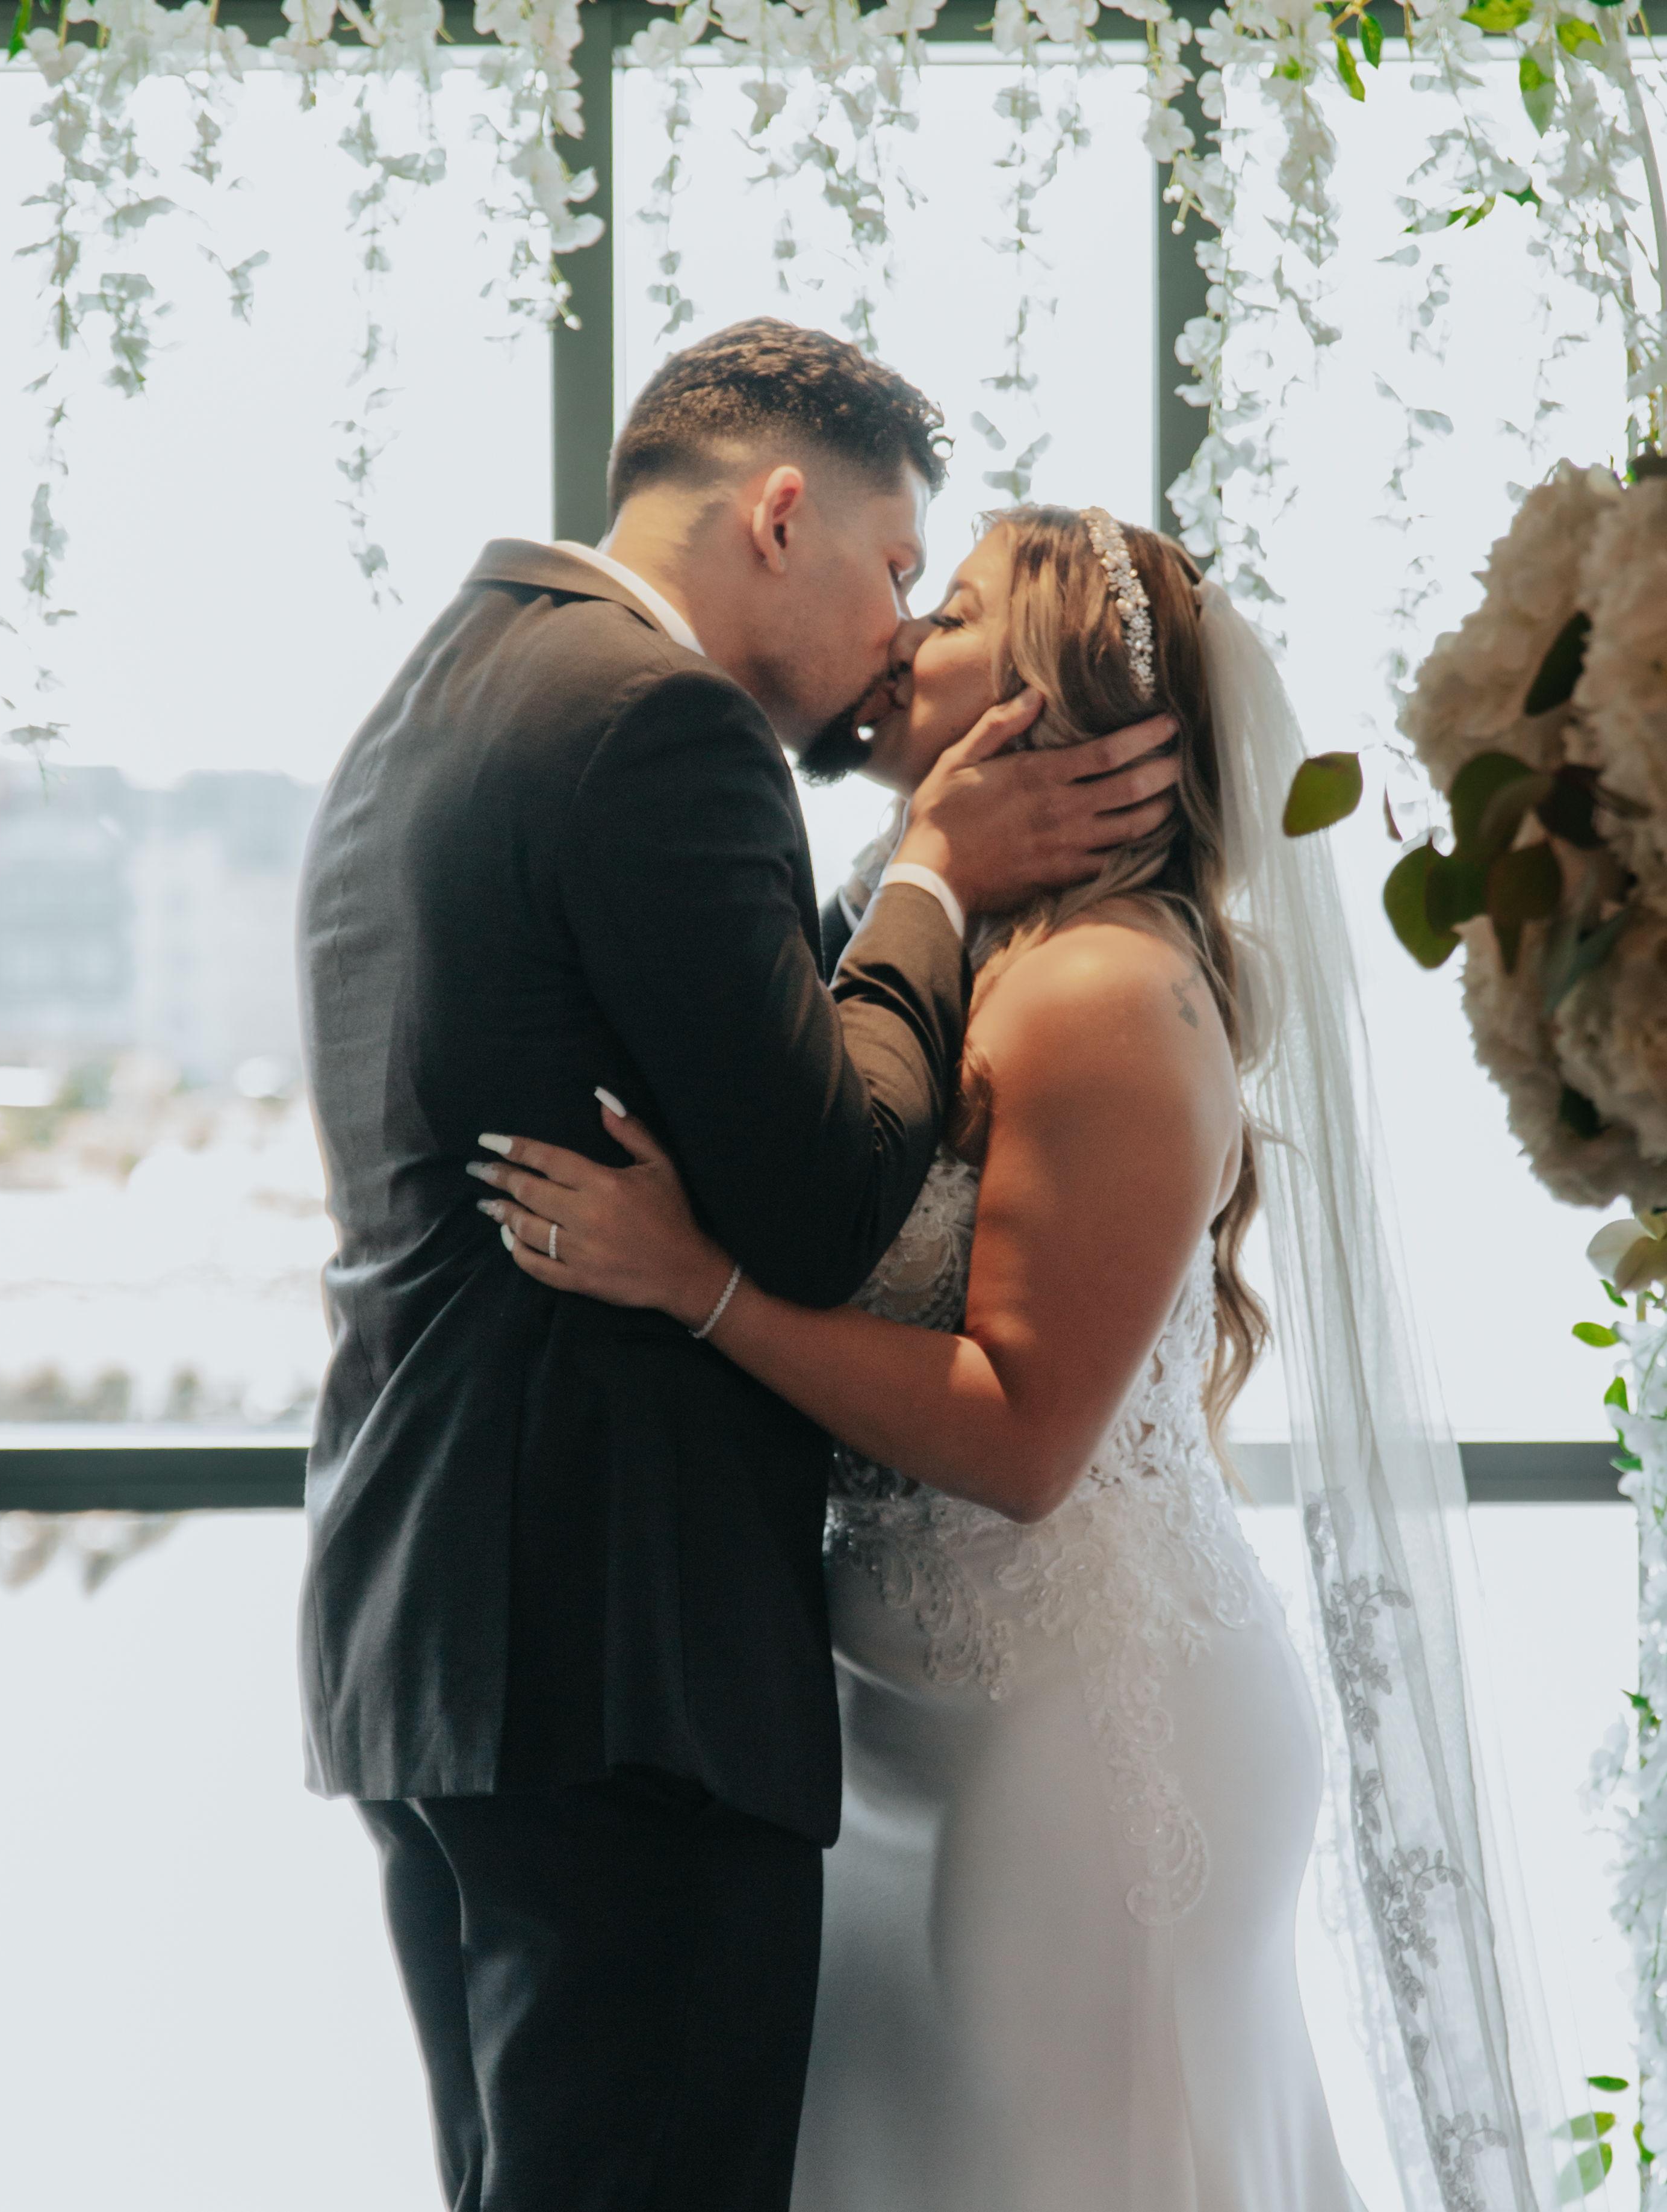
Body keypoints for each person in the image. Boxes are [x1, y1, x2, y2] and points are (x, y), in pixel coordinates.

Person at [295, 324, 1183, 2212]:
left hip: (433, 1643)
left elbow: (715, 1046)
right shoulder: (661, 722)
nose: (897, 630)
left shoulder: (444, 688)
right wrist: (934, 868)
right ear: (782, 514)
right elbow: (824, 1196)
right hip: (624, 1670)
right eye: (894, 564)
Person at [473, 505, 1365, 2210]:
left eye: (945, 611)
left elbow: (1024, 1436)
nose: (895, 637)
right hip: (905, 1720)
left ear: (1044, 698)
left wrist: (698, 1285)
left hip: (1080, 1727)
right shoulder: (953, 949)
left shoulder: (1100, 992)